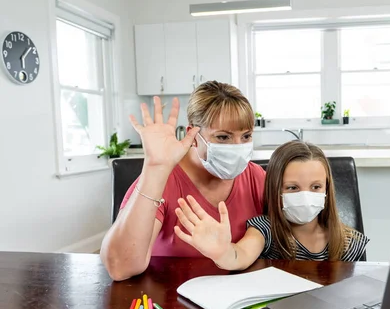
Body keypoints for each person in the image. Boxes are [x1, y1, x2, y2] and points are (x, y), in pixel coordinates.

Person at [100, 81, 266, 281]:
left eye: (246, 136)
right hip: (170, 297)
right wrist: (155, 168)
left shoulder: (256, 177)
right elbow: (120, 267)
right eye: (223, 137)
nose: (237, 147)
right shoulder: (164, 179)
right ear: (194, 135)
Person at [174, 141, 369, 270]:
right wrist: (222, 251)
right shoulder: (264, 229)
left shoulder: (349, 242)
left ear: (327, 190)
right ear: (275, 190)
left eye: (316, 187)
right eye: (292, 188)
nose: (305, 196)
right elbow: (240, 255)